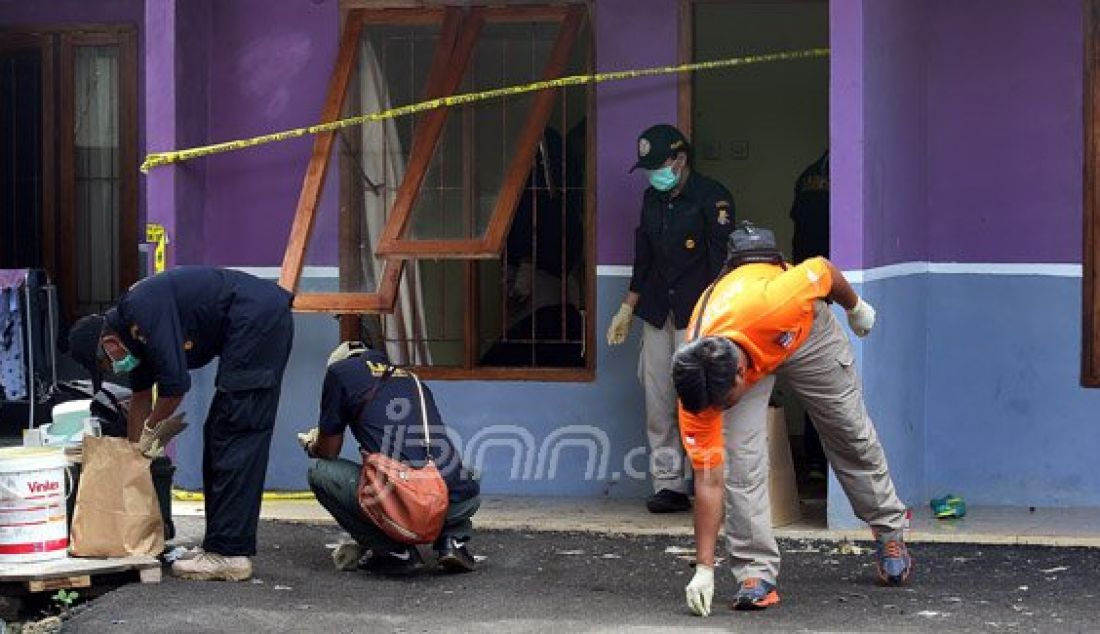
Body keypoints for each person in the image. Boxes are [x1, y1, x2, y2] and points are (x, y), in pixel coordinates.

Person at [673, 222, 911, 616]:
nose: (718, 413)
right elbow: (709, 479)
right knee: (740, 465)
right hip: (740, 341)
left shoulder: (779, 299)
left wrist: (856, 308)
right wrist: (703, 567)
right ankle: (755, 574)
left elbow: (822, 269)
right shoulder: (698, 387)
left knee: (847, 430)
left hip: (800, 332)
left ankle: (890, 530)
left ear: (739, 376)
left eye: (725, 403)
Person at [67, 266, 294, 582]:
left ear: (108, 341)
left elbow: (175, 387)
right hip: (249, 323)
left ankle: (228, 553)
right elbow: (141, 397)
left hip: (257, 319)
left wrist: (151, 434)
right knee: (220, 432)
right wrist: (136, 456)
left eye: (107, 363)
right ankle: (219, 545)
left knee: (235, 429)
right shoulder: (132, 339)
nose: (114, 369)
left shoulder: (142, 309)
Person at [606, 124, 736, 513]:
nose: (652, 175)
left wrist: (718, 320)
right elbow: (643, 260)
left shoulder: (713, 199)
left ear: (680, 160)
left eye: (657, 165)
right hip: (658, 312)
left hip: (697, 316)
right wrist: (627, 308)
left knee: (700, 401)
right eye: (647, 168)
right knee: (657, 401)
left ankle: (707, 481)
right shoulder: (651, 199)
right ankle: (669, 485)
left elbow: (723, 265)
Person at [300, 341, 481, 575]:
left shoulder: (339, 373)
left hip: (404, 500)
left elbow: (328, 451)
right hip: (456, 500)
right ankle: (452, 541)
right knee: (461, 470)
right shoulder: (413, 380)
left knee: (319, 470)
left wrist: (312, 443)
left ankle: (393, 551)